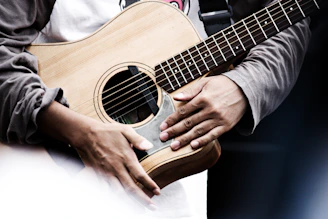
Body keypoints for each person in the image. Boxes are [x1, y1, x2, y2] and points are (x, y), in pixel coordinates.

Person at [0, 0, 311, 218]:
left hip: (173, 199)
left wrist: (243, 86)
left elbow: (286, 18)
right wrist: (74, 129)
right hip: (40, 182)